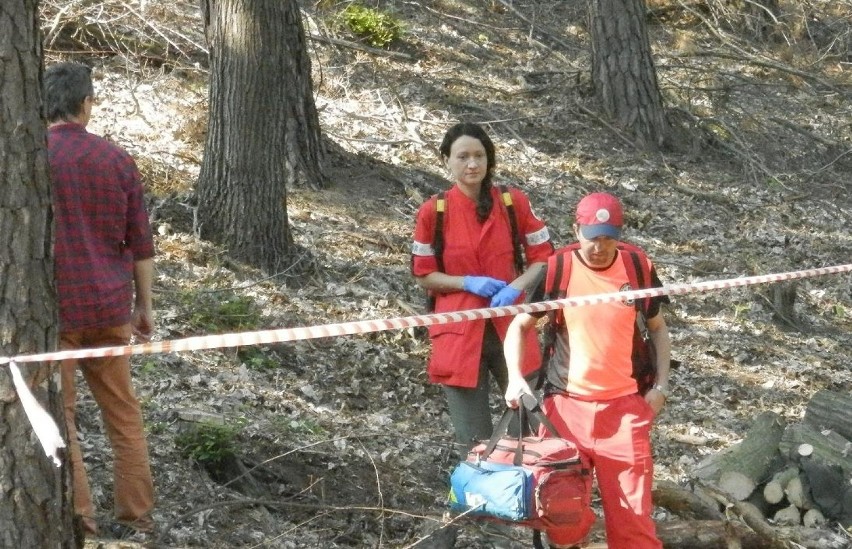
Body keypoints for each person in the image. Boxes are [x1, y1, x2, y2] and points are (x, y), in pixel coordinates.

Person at [503, 192, 671, 549]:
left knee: (634, 524)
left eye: (609, 236)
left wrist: (661, 386)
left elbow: (658, 328)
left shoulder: (637, 265)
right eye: (593, 236)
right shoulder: (557, 268)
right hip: (565, 409)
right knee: (561, 514)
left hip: (625, 410)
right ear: (576, 229)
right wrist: (516, 378)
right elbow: (519, 327)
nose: (600, 245)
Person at [45, 62, 156, 539]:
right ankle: (138, 515)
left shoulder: (28, 157)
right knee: (124, 416)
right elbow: (141, 243)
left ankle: (82, 520)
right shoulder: (116, 159)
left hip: (56, 313)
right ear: (86, 103)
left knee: (60, 418)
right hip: (110, 307)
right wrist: (144, 305)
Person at [410, 122, 553, 450]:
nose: (471, 164)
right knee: (474, 442)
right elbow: (423, 274)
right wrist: (466, 282)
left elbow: (544, 257)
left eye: (478, 156)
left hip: (512, 324)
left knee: (529, 431)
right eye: (462, 157)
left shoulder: (512, 202)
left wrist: (515, 287)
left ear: (489, 160)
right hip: (458, 333)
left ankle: (532, 497)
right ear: (447, 160)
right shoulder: (434, 212)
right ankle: (479, 499)